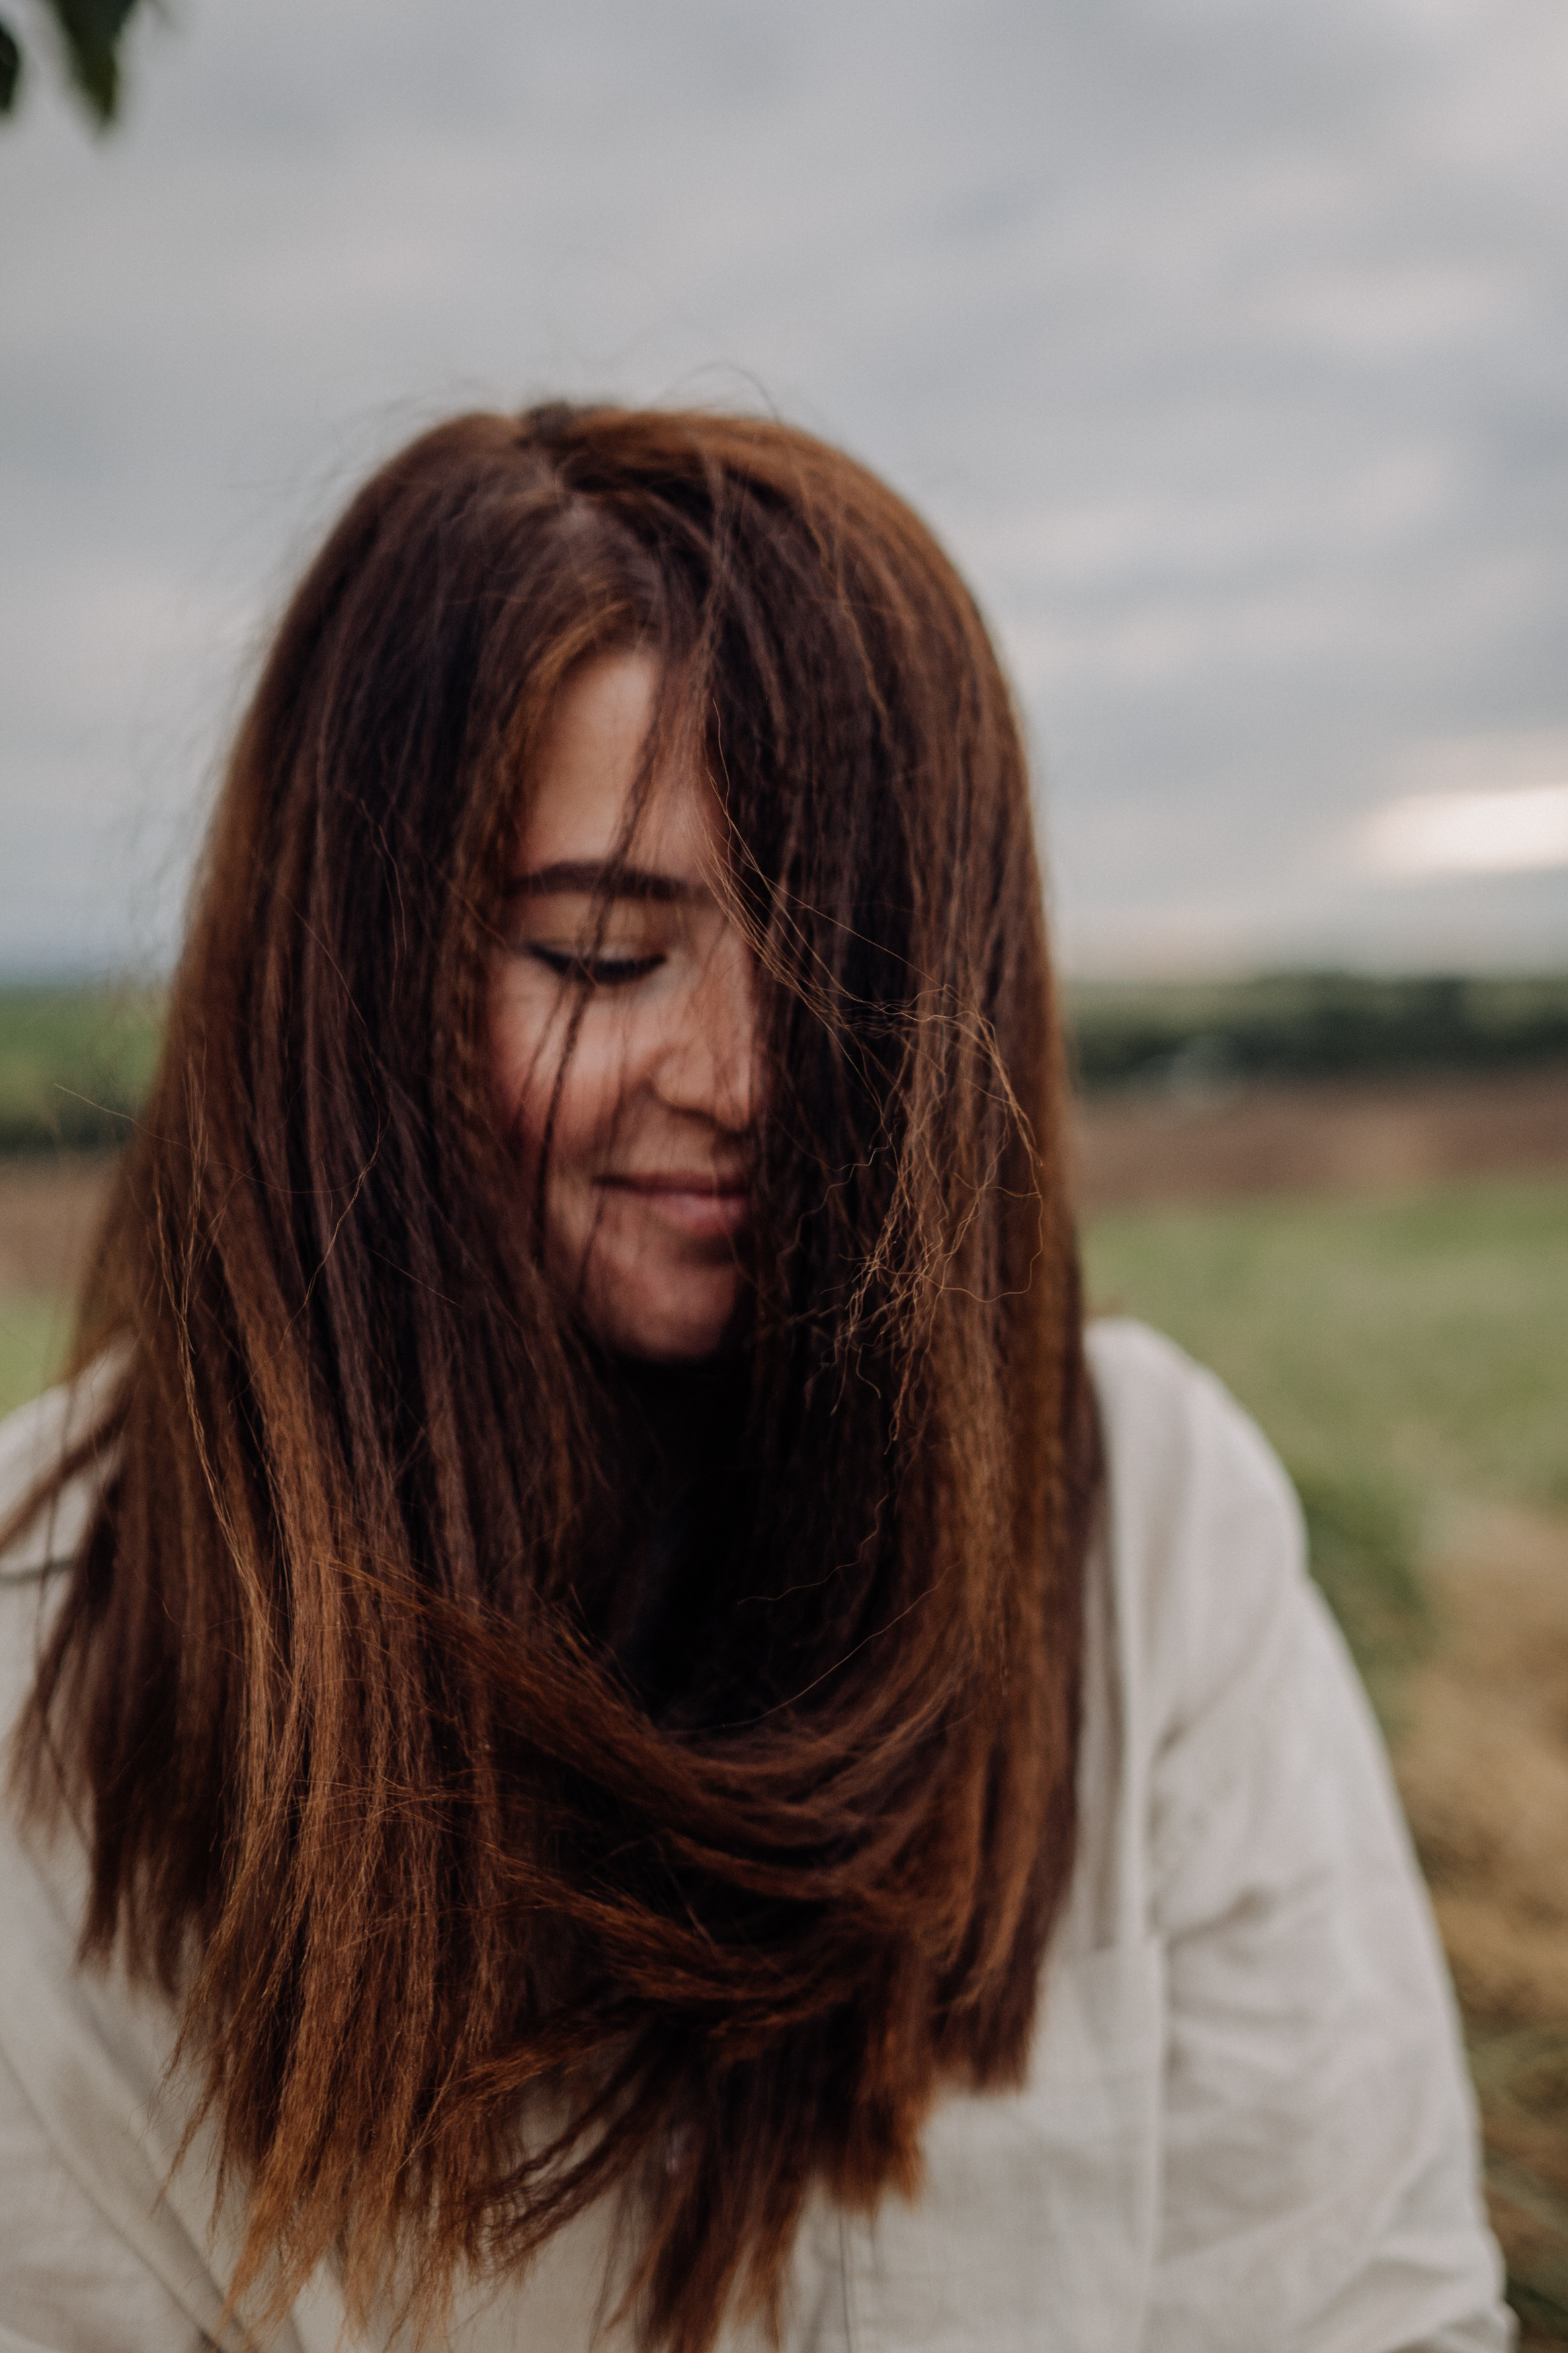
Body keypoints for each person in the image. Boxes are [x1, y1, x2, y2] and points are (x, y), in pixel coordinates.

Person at [0, 405, 1508, 2353]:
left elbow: (1359, 2310)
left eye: (845, 974)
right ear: (352, 991)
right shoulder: (52, 1640)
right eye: (605, 959)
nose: (751, 1081)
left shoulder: (1154, 1544)